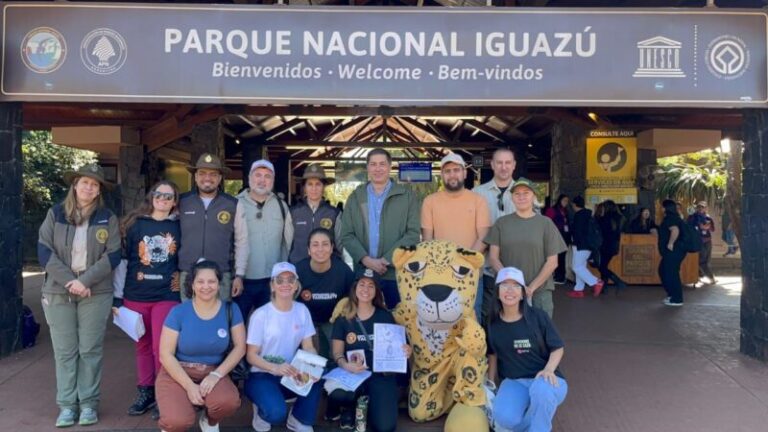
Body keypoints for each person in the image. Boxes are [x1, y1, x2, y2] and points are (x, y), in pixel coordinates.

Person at [37, 164, 121, 427]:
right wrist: (70, 281)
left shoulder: (107, 217)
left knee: (90, 350)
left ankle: (88, 404)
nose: (89, 188)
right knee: (65, 351)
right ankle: (66, 406)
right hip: (58, 290)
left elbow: (114, 255)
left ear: (99, 191)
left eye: (95, 185)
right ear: (75, 185)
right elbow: (44, 251)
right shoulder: (55, 214)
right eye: (85, 182)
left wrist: (84, 281)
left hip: (95, 291)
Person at [113, 181, 182, 417]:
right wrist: (117, 297)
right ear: (151, 196)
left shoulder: (179, 226)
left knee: (161, 347)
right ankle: (146, 391)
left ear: (174, 202)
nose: (163, 199)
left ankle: (164, 394)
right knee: (142, 345)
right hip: (135, 294)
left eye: (168, 196)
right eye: (158, 194)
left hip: (167, 295)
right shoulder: (135, 225)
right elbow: (123, 262)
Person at [156, 260, 246, 432]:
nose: (206, 286)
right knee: (177, 421)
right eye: (200, 281)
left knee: (228, 402)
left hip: (213, 370)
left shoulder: (231, 309)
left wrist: (216, 375)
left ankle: (210, 421)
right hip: (178, 371)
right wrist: (189, 386)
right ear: (192, 284)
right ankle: (175, 418)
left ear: (219, 284)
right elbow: (165, 354)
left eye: (211, 281)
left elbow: (240, 347)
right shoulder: (178, 312)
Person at [329, 269, 412, 431]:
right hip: (353, 374)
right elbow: (337, 353)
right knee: (339, 393)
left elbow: (397, 348)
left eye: (371, 286)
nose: (365, 289)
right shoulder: (343, 318)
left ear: (376, 291)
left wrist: (405, 351)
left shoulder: (385, 316)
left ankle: (369, 405)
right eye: (362, 284)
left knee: (385, 426)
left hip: (380, 376)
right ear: (355, 288)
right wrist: (346, 365)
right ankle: (349, 407)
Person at [487, 267, 567, 432]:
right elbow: (492, 354)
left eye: (516, 286)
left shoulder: (538, 317)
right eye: (504, 285)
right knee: (504, 418)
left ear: (523, 293)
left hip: (546, 379)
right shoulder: (492, 324)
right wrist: (490, 383)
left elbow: (557, 347)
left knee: (541, 391)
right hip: (515, 381)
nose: (510, 290)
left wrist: (549, 369)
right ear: (497, 292)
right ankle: (532, 417)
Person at [339, 148, 421, 309]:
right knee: (364, 318)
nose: (378, 168)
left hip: (396, 274)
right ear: (367, 167)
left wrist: (386, 260)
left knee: (397, 318)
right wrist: (366, 260)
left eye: (382, 164)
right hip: (364, 273)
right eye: (373, 164)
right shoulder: (355, 197)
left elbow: (413, 234)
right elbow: (347, 234)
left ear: (390, 167)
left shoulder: (407, 196)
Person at [245, 262, 321, 432]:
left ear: (296, 285)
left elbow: (308, 346)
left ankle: (298, 418)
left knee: (317, 379)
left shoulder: (302, 310)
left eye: (290, 279)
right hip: (262, 374)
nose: (285, 284)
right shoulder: (261, 315)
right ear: (272, 286)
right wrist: (275, 368)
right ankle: (261, 409)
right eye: (279, 280)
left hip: (290, 373)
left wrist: (312, 366)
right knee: (275, 414)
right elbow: (251, 355)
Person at [421, 152, 491, 320]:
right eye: (447, 171)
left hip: (471, 273)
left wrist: (464, 263)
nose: (452, 174)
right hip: (441, 275)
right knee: (442, 322)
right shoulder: (430, 201)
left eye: (456, 170)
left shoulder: (478, 200)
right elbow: (427, 241)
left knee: (471, 321)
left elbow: (484, 236)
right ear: (442, 175)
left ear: (464, 173)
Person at [485, 178, 566, 318]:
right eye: (517, 193)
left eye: (526, 193)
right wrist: (512, 284)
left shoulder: (546, 224)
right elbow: (493, 258)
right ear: (512, 198)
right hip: (508, 293)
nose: (521, 197)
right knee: (508, 329)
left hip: (539, 292)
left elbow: (552, 262)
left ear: (533, 196)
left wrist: (531, 288)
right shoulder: (501, 223)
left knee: (541, 329)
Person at [178, 153, 248, 302]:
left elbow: (242, 241)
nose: (207, 178)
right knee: (189, 315)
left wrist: (239, 275)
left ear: (220, 178)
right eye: (202, 173)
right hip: (187, 273)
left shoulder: (233, 204)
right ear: (195, 177)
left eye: (213, 174)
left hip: (221, 274)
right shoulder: (182, 202)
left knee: (220, 315)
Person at [236, 160, 294, 320]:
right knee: (238, 326)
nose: (262, 180)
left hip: (272, 280)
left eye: (267, 176)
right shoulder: (235, 203)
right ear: (250, 178)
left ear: (273, 180)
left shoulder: (281, 206)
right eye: (258, 175)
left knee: (271, 327)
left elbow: (288, 241)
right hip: (242, 281)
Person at [472, 148, 517, 324]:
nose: (503, 167)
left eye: (507, 163)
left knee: (515, 314)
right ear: (492, 165)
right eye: (499, 163)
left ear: (514, 165)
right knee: (487, 315)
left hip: (516, 266)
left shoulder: (524, 192)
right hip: (487, 268)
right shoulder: (477, 193)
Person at [295, 228, 355, 359]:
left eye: (325, 244)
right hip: (306, 322)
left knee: (335, 355)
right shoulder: (298, 270)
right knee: (307, 358)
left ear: (332, 248)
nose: (320, 249)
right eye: (315, 245)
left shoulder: (343, 271)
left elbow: (354, 297)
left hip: (332, 320)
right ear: (308, 250)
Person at [289, 164, 342, 264]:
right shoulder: (293, 212)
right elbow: (287, 245)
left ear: (324, 187)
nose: (314, 188)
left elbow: (340, 246)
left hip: (327, 267)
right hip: (298, 267)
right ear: (304, 187)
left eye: (318, 184)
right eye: (310, 184)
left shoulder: (334, 213)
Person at [566, 196, 604, 298]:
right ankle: (578, 290)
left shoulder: (579, 216)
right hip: (588, 245)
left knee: (576, 267)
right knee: (581, 266)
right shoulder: (588, 215)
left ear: (574, 205)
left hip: (580, 245)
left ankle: (596, 282)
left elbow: (577, 232)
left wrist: (573, 241)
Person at [658, 199, 687, 307]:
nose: (661, 208)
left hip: (674, 251)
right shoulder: (674, 218)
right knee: (663, 270)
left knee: (671, 273)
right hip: (674, 252)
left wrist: (670, 243)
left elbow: (675, 230)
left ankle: (677, 299)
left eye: (662, 206)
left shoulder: (670, 218)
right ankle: (671, 295)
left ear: (666, 208)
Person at [595, 200, 627, 292]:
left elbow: (601, 232)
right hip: (614, 245)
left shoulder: (605, 219)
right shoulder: (621, 218)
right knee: (604, 265)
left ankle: (618, 282)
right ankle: (604, 287)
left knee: (601, 267)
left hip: (605, 245)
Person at [544, 194, 571, 285]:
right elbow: (547, 222)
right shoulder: (552, 210)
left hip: (565, 236)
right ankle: (558, 275)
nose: (566, 203)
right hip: (556, 234)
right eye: (564, 200)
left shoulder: (565, 211)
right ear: (560, 200)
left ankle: (561, 276)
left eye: (567, 201)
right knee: (556, 256)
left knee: (562, 256)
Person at [688, 201, 717, 284]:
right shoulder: (693, 217)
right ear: (696, 208)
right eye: (699, 207)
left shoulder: (708, 218)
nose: (701, 209)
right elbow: (690, 227)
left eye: (703, 207)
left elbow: (712, 229)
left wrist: (708, 226)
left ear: (706, 208)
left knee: (707, 260)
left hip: (707, 241)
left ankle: (699, 275)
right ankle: (710, 277)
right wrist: (700, 227)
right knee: (702, 260)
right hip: (699, 241)